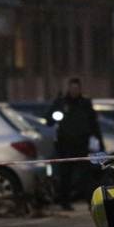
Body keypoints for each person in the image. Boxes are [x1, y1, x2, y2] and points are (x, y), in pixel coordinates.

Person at [46, 78, 104, 210]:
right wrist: (55, 114)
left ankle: (91, 203)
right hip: (65, 146)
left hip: (81, 145)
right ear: (69, 88)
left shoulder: (85, 103)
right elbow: (49, 120)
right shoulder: (61, 103)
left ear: (80, 89)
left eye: (76, 89)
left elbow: (93, 124)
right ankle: (64, 203)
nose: (74, 91)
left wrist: (99, 143)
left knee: (86, 177)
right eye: (72, 89)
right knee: (65, 176)